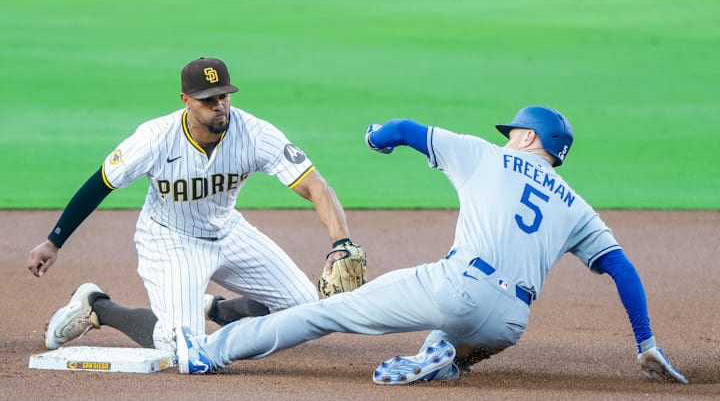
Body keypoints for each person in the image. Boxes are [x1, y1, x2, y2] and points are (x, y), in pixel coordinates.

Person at [173, 106, 688, 384]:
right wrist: (645, 343)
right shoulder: (577, 206)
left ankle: (210, 353)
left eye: (515, 132)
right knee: (467, 315)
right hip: (510, 322)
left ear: (530, 140)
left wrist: (375, 136)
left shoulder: (485, 155)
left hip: (458, 288)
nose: (509, 136)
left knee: (323, 313)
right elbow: (623, 270)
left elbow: (401, 129)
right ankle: (445, 354)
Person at [28, 57, 363, 351]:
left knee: (305, 311)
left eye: (223, 97)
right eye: (208, 100)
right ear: (186, 100)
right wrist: (54, 241)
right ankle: (98, 306)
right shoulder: (155, 138)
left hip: (228, 231)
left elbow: (314, 185)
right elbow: (99, 184)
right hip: (169, 240)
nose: (219, 106)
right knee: (180, 347)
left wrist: (340, 241)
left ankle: (216, 310)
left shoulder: (255, 134)